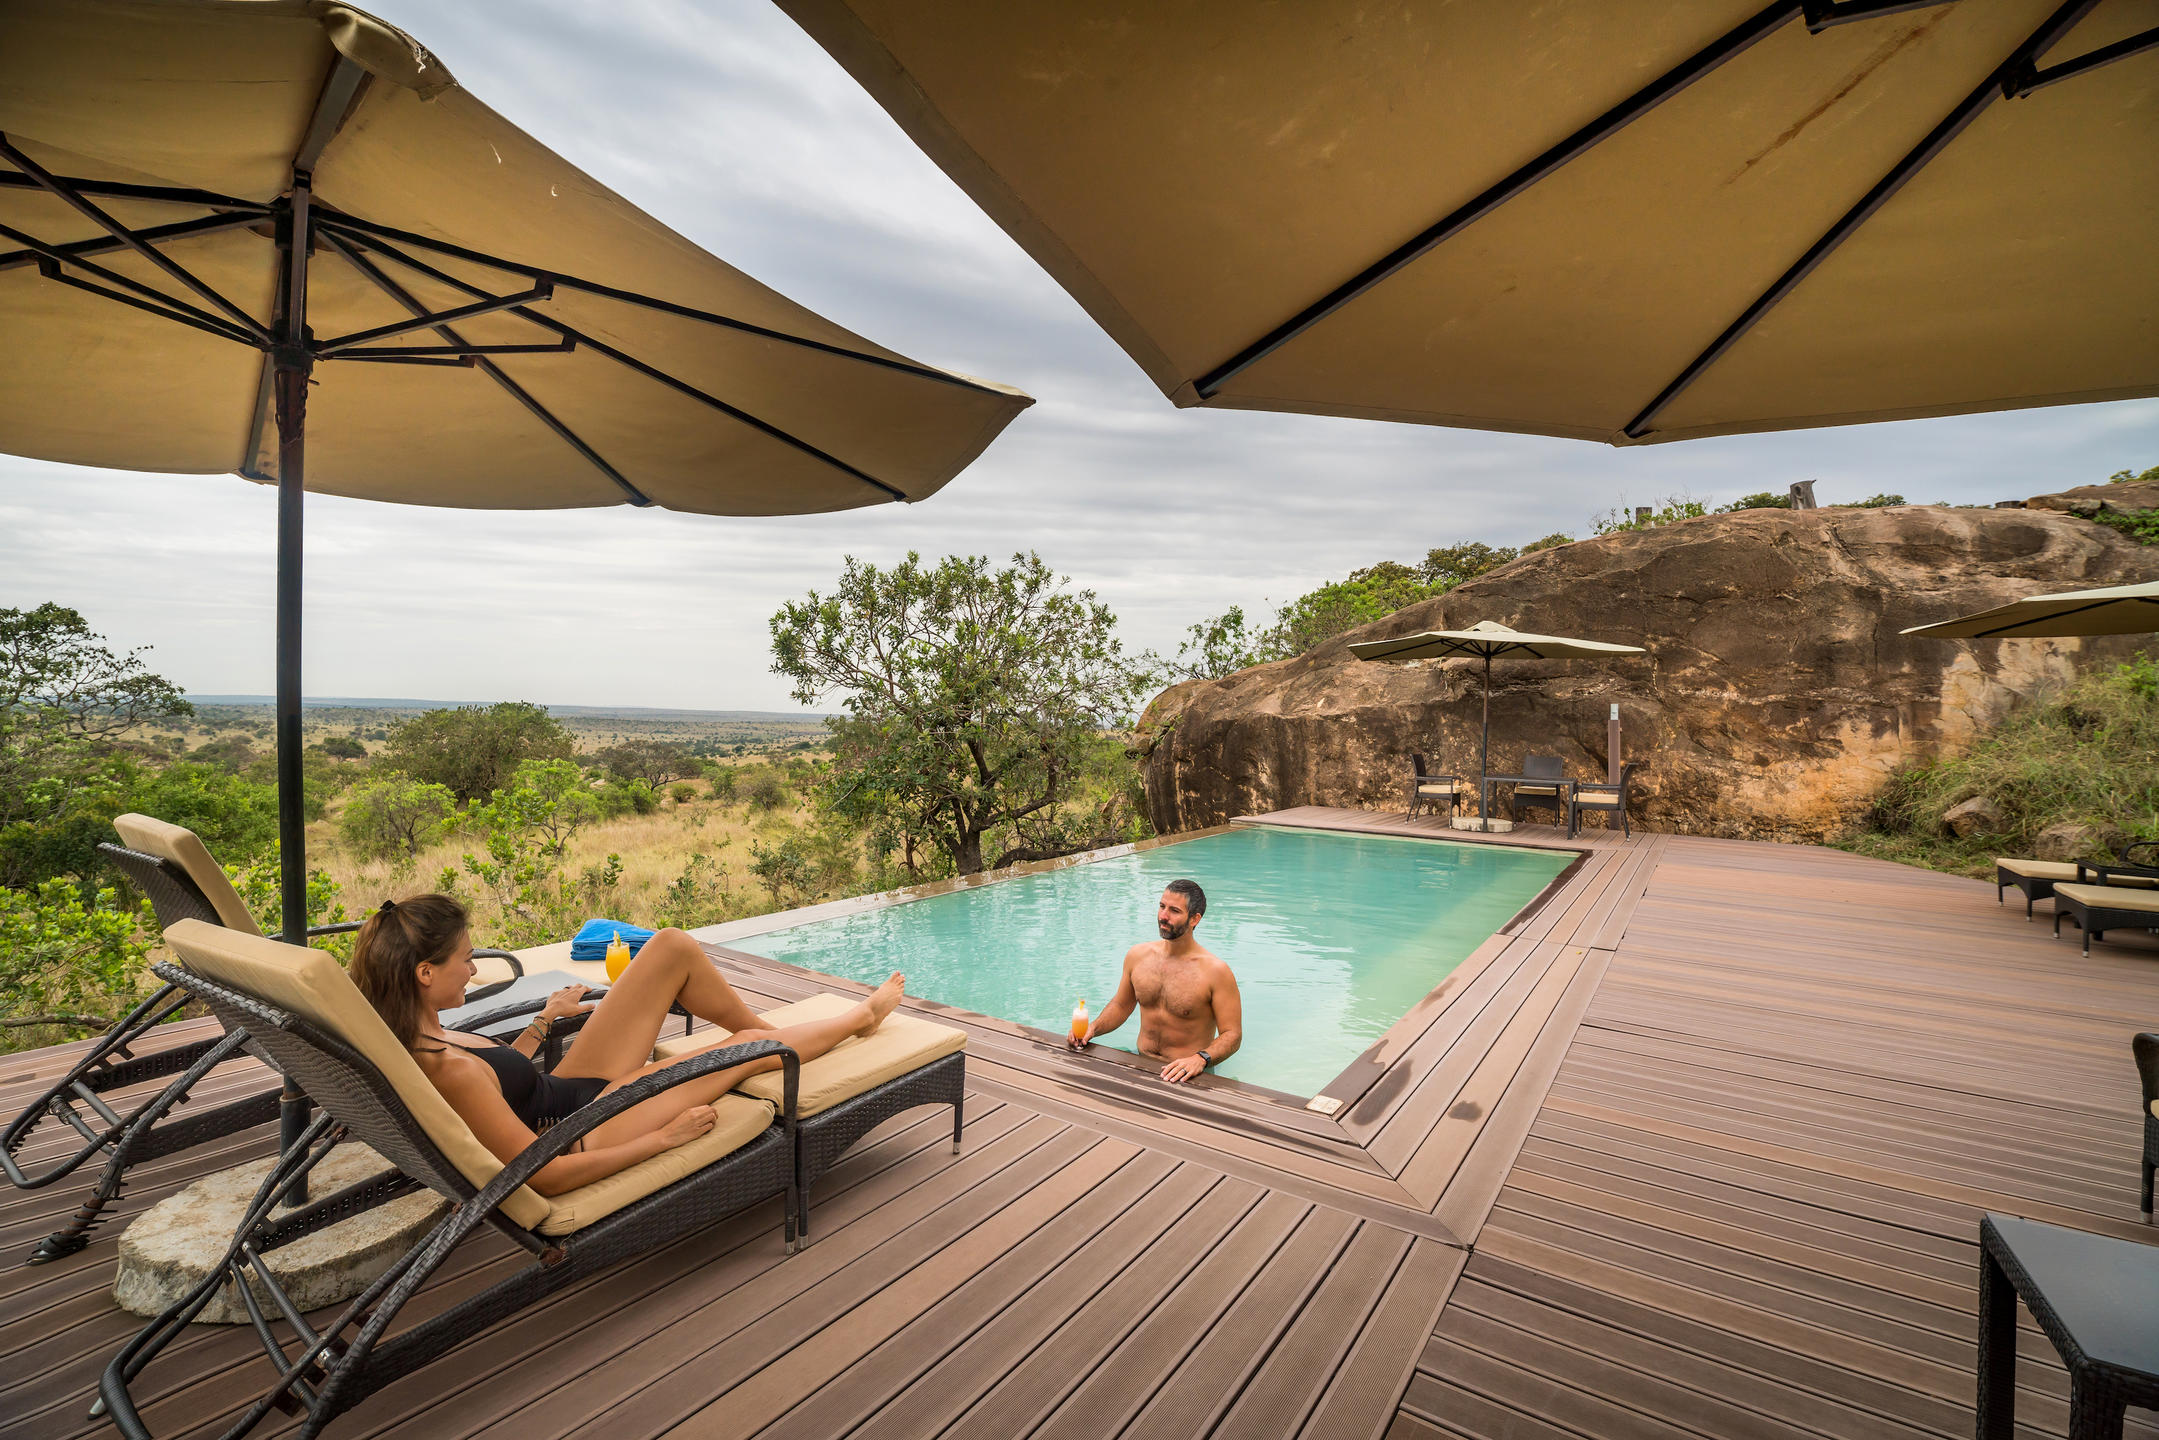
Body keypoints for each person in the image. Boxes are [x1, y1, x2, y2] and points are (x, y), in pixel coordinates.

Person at [350, 894, 903, 1195]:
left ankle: (771, 1037)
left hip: (562, 1090)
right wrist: (663, 1139)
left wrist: (545, 1020)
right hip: (585, 1130)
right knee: (755, 1047)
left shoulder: (419, 1032)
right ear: (425, 972)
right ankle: (859, 1019)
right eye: (465, 960)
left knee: (669, 947)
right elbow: (544, 1175)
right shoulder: (446, 1068)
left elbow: (497, 1083)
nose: (472, 971)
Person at [1067, 878, 1242, 1084]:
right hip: (1140, 1062)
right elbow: (1122, 1005)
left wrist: (1200, 1059)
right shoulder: (1138, 955)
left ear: (1194, 919)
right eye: (1161, 906)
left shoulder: (1215, 972)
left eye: (1174, 911)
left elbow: (1232, 1034)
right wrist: (1093, 1028)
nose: (1163, 916)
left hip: (1187, 1075)